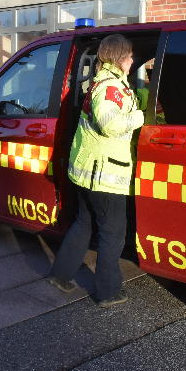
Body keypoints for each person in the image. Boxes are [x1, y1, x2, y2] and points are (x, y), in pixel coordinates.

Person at [48, 34, 144, 307]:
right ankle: (108, 292)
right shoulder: (110, 87)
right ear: (120, 58)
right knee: (113, 235)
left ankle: (61, 275)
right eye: (130, 56)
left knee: (83, 225)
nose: (132, 60)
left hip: (88, 173)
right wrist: (139, 117)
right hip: (105, 176)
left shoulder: (104, 83)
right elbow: (110, 124)